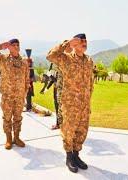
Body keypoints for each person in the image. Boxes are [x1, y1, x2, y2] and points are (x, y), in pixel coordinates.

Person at [46, 34, 94, 173]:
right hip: (70, 104)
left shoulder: (89, 61)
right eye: (81, 41)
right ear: (74, 44)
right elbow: (50, 56)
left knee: (81, 131)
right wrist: (67, 43)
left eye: (85, 41)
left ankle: (76, 156)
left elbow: (90, 83)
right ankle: (69, 157)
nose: (84, 43)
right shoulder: (65, 59)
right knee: (69, 131)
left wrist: (88, 101)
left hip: (84, 104)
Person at [0, 38, 29, 150]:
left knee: (18, 118)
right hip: (7, 96)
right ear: (9, 48)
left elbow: (27, 79)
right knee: (7, 118)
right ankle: (9, 138)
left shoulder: (24, 62)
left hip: (19, 97)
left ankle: (17, 138)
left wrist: (24, 93)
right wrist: (0, 47)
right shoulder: (3, 59)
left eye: (17, 44)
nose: (16, 46)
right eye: (13, 45)